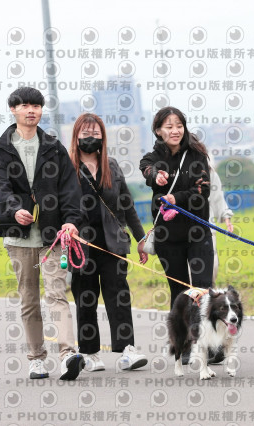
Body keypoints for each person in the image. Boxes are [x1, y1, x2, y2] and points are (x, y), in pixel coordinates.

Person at [0, 87, 86, 381]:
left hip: (53, 235)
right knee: (29, 299)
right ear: (13, 109)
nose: (31, 110)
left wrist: (71, 221)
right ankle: (36, 359)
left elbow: (70, 189)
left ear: (41, 110)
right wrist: (14, 209)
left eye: (36, 106)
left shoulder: (54, 147)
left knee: (56, 293)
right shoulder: (2, 149)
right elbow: (0, 187)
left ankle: (68, 355)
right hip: (18, 236)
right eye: (25, 106)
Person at [69, 113, 149, 372]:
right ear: (76, 137)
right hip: (81, 246)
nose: (90, 138)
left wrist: (141, 238)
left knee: (119, 296)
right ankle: (90, 352)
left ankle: (127, 350)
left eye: (96, 133)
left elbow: (127, 205)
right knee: (86, 299)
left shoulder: (111, 166)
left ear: (103, 137)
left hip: (113, 243)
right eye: (85, 133)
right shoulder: (67, 168)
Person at [139, 106, 214, 309]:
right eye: (169, 126)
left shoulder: (197, 155)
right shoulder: (152, 159)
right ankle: (179, 331)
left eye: (179, 126)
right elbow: (148, 170)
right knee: (179, 293)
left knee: (202, 291)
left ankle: (205, 331)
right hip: (168, 239)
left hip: (198, 234)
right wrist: (157, 176)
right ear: (158, 131)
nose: (175, 131)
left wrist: (175, 199)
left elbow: (202, 190)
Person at [207, 164, 234, 284]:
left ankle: (207, 292)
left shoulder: (208, 171)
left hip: (207, 228)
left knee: (212, 268)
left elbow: (217, 197)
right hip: (179, 229)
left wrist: (225, 216)